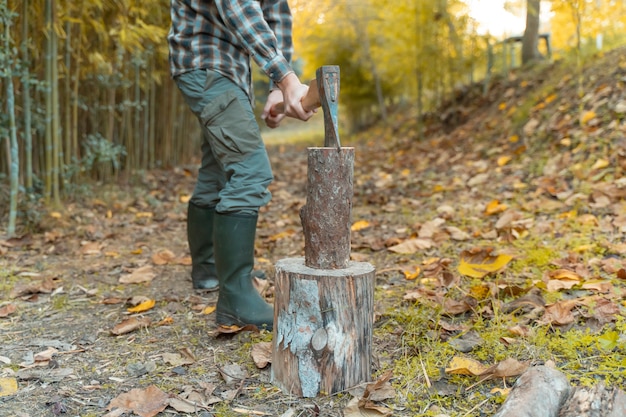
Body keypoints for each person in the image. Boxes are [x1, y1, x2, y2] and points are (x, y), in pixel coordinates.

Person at [168, 0, 314, 331]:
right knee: (249, 171)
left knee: (218, 170)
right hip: (206, 63)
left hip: (226, 70)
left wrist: (280, 86)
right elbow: (239, 7)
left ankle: (210, 271)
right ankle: (235, 300)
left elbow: (275, 12)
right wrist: (287, 79)